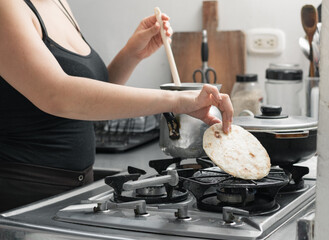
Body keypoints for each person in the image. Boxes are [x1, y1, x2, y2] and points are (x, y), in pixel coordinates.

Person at [0, 0, 233, 212]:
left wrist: (132, 53)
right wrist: (178, 100)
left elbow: (90, 103)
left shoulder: (59, 4)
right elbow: (57, 95)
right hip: (24, 191)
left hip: (73, 187)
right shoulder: (7, 7)